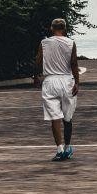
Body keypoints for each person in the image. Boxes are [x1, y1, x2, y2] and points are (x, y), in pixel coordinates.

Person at [34, 19, 80, 161]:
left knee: (54, 117)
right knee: (67, 117)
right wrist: (77, 82)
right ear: (65, 28)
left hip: (50, 81)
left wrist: (36, 77)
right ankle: (67, 147)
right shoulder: (70, 42)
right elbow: (73, 63)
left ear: (51, 28)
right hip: (66, 80)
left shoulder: (44, 43)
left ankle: (59, 149)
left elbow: (38, 61)